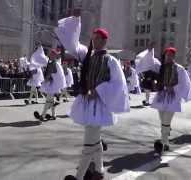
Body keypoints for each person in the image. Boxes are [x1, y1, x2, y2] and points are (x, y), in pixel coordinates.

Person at [55, 10, 130, 180]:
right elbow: (72, 44)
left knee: (89, 143)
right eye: (93, 38)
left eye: (97, 39)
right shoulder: (87, 55)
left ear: (104, 41)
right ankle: (99, 171)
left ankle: (80, 176)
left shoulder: (111, 61)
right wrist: (75, 20)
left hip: (99, 105)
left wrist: (98, 90)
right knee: (94, 141)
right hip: (88, 103)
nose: (94, 41)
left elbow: (118, 84)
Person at [149, 47, 191, 154]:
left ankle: (163, 142)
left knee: (166, 120)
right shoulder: (161, 67)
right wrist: (156, 83)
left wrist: (173, 88)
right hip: (161, 96)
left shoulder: (179, 69)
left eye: (170, 55)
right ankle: (166, 140)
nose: (168, 57)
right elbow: (151, 68)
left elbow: (184, 83)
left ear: (174, 56)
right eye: (166, 55)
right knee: (162, 120)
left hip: (173, 97)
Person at [33, 49, 66, 121]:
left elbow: (51, 74)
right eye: (50, 54)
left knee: (48, 100)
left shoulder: (54, 63)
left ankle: (43, 115)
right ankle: (54, 115)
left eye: (52, 54)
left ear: (54, 56)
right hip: (52, 85)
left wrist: (45, 80)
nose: (50, 55)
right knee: (50, 101)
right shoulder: (53, 63)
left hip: (52, 85)